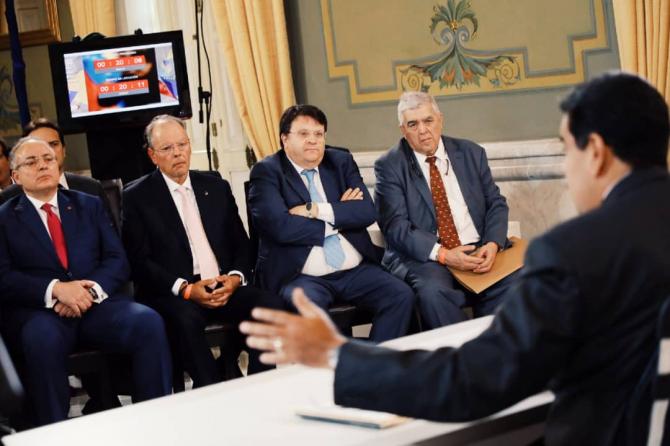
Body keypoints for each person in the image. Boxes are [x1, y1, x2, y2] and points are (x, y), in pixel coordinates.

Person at [240, 72, 670, 445]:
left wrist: (338, 356)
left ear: (595, 152)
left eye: (565, 149)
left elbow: (478, 377)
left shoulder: (572, 253)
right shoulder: (387, 166)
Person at [0, 137, 172, 426]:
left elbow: (117, 259)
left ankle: (155, 420)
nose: (43, 165)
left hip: (96, 306)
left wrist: (87, 292)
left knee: (148, 322)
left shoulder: (88, 204)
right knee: (40, 339)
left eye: (48, 159)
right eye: (31, 162)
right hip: (43, 312)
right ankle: (53, 431)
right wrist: (56, 290)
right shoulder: (4, 218)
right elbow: (4, 277)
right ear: (15, 176)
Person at [122, 115, 283, 387]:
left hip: (222, 284)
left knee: (270, 306)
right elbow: (139, 261)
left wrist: (234, 279)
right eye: (167, 148)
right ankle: (211, 389)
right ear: (152, 155)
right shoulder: (137, 196)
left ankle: (259, 387)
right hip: (177, 293)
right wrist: (186, 289)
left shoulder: (215, 186)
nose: (178, 153)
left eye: (182, 144)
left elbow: (241, 243)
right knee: (184, 321)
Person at [247, 104, 416, 343]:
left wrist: (315, 210)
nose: (313, 141)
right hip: (301, 277)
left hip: (355, 270)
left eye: (318, 134)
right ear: (285, 138)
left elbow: (367, 212)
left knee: (401, 295)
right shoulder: (267, 171)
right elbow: (280, 227)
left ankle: (372, 360)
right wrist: (340, 213)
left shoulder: (340, 161)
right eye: (303, 134)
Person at [374, 91, 514, 329]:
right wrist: (444, 254)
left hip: (478, 248)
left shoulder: (471, 153)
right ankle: (464, 350)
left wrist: (492, 244)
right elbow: (395, 227)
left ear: (440, 120)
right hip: (428, 258)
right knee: (432, 294)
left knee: (520, 279)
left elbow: (496, 203)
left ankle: (493, 345)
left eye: (428, 120)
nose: (422, 130)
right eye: (413, 124)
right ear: (403, 130)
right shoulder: (389, 166)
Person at [0, 118, 116, 230]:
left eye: (53, 144)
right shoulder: (8, 198)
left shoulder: (91, 188)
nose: (47, 151)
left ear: (64, 150)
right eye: (39, 146)